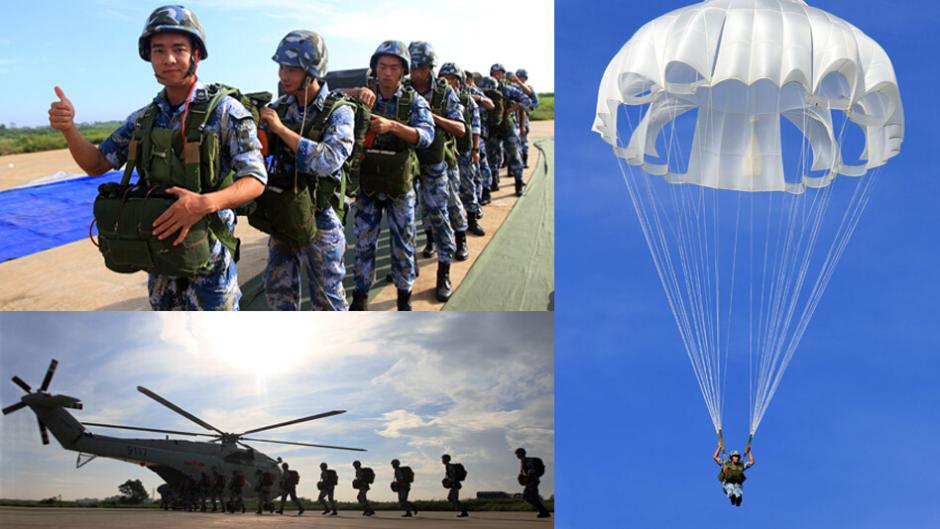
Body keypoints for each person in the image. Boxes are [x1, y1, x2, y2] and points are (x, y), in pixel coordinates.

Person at [48, 5, 266, 310]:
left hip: (210, 265)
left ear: (196, 55)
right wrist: (68, 128)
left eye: (179, 49)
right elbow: (96, 164)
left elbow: (255, 180)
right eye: (158, 50)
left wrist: (203, 204)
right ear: (149, 57)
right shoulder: (143, 119)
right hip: (159, 263)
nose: (169, 59)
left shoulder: (226, 112)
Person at [258, 30, 352, 311]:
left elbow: (328, 160)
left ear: (312, 72)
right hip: (284, 212)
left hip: (320, 217)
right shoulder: (279, 108)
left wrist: (281, 130)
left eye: (292, 69)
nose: (283, 75)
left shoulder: (338, 111)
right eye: (282, 68)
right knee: (278, 292)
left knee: (328, 298)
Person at [344, 41, 435, 311]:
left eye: (393, 67)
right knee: (363, 243)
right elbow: (328, 95)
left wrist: (393, 126)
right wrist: (356, 91)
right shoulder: (364, 95)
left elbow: (426, 137)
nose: (386, 72)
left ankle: (404, 298)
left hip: (399, 186)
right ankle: (360, 298)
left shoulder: (413, 101)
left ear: (402, 71)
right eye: (382, 66)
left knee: (403, 243)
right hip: (368, 184)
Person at [407, 42, 468, 271]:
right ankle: (410, 260)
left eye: (419, 67)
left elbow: (460, 129)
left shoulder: (444, 92)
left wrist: (431, 118)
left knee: (447, 206)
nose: (414, 72)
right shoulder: (404, 90)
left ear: (429, 67)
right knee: (414, 212)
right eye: (411, 67)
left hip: (441, 158)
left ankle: (457, 242)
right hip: (410, 160)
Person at [439, 63, 485, 237]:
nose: (448, 81)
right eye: (445, 78)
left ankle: (472, 220)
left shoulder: (467, 100)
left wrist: (475, 149)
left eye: (452, 78)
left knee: (468, 185)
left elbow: (475, 126)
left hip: (464, 151)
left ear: (459, 81)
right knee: (449, 191)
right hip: (446, 152)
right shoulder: (438, 99)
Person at [486, 63, 534, 196]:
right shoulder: (485, 89)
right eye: (495, 74)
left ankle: (519, 182)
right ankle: (493, 183)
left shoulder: (508, 90)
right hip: (492, 127)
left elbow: (527, 100)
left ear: (503, 75)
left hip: (507, 126)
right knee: (491, 157)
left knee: (514, 154)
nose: (497, 76)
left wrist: (513, 108)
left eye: (500, 73)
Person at [513, 69, 539, 168]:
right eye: (518, 77)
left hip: (523, 119)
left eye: (521, 78)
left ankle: (524, 161)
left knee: (523, 142)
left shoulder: (528, 89)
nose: (519, 79)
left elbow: (534, 104)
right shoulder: (513, 88)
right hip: (513, 118)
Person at [515, 448, 550, 518]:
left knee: (529, 497)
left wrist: (526, 479)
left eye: (517, 454)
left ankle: (544, 512)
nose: (517, 456)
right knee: (529, 497)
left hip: (532, 481)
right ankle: (543, 511)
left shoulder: (528, 461)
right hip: (531, 481)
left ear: (520, 453)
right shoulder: (523, 462)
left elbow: (532, 471)